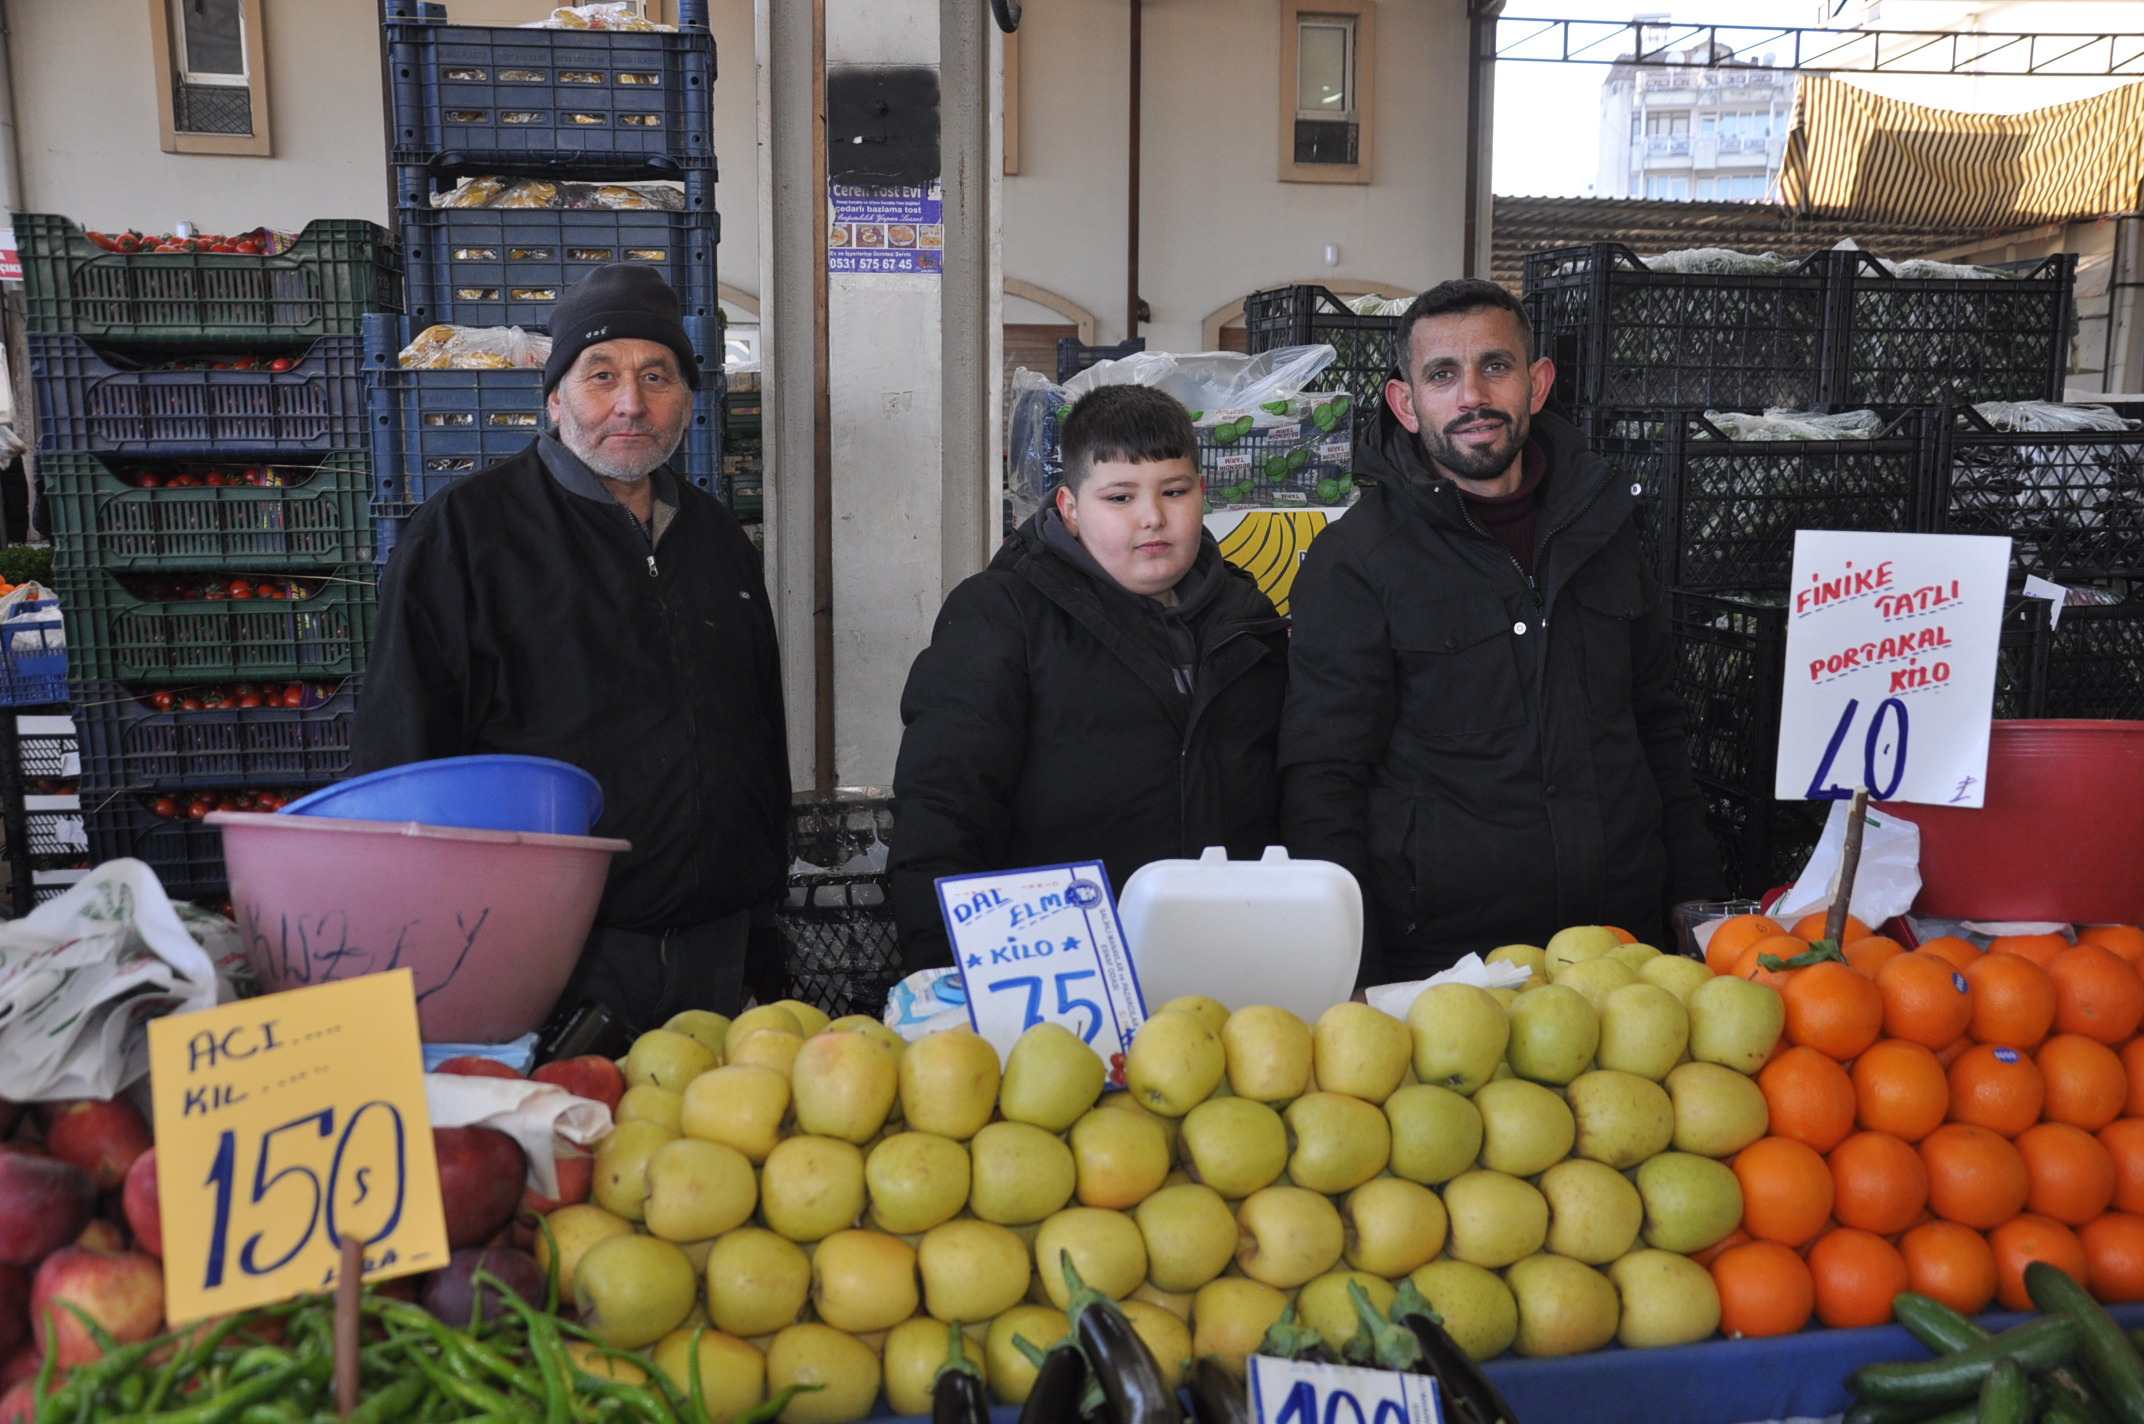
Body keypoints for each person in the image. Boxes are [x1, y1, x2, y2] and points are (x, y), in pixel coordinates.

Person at [352, 264, 789, 1033]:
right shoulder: (466, 535)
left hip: (713, 952)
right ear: (554, 398)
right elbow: (402, 758)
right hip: (551, 959)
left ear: (688, 400)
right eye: (601, 375)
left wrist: (761, 923)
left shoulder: (716, 536)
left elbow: (760, 731)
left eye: (657, 375)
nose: (631, 403)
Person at [1280, 277, 1725, 984]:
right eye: (1441, 374)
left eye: (1495, 366)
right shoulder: (1357, 562)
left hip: (1620, 947)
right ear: (1405, 404)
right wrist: (1350, 966)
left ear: (1537, 384)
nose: (1473, 396)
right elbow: (1324, 779)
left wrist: (1696, 893)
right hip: (1448, 967)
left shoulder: (1605, 529)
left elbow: (1657, 723)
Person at [888, 383, 1289, 969]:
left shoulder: (1250, 620)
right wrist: (943, 972)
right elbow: (944, 806)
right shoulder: (1002, 617)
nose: (1153, 517)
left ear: (1202, 493)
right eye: (1120, 497)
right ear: (1071, 508)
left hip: (1233, 963)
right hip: (1057, 969)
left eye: (1174, 491)